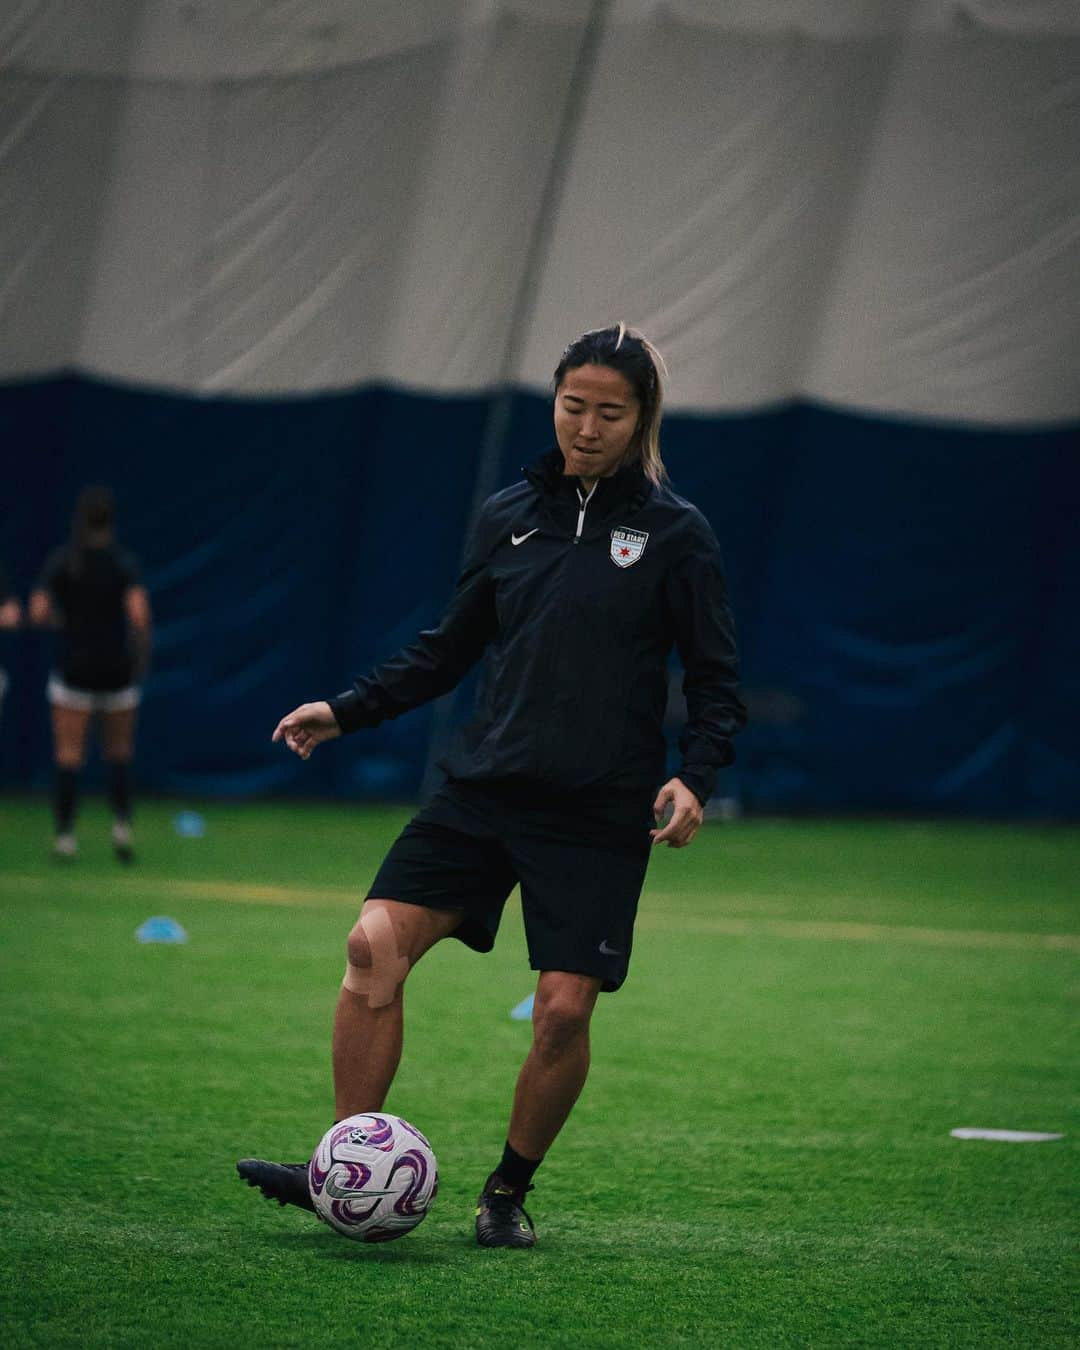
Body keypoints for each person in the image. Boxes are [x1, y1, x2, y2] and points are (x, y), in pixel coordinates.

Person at [238, 324, 746, 1247]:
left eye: (609, 412)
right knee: (370, 948)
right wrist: (347, 709)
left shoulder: (677, 534)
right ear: (553, 403)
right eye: (572, 406)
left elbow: (717, 680)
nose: (586, 427)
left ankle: (505, 1195)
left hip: (596, 810)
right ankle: (346, 1166)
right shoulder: (508, 513)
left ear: (642, 420)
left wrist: (695, 777)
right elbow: (450, 647)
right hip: (483, 791)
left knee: (562, 1011)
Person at [29, 486, 152, 861]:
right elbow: (139, 615)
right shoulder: (121, 563)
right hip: (116, 672)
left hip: (74, 672)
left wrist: (66, 622)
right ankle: (122, 831)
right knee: (119, 754)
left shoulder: (65, 562)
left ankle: (65, 838)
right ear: (110, 522)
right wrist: (140, 658)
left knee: (69, 756)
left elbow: (37, 611)